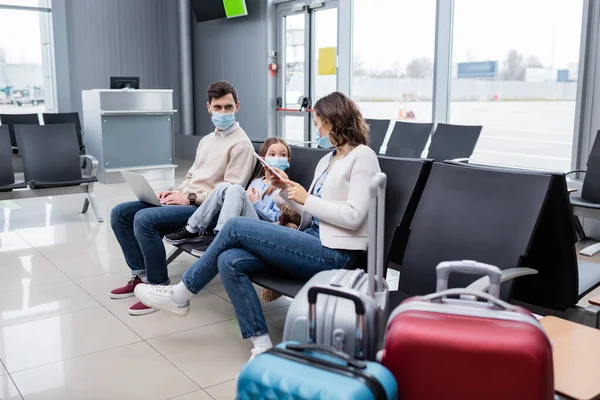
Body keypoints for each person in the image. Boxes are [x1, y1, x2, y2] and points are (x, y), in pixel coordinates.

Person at [134, 92, 380, 363]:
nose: (317, 128)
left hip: (335, 253)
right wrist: (286, 192)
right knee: (230, 260)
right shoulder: (327, 160)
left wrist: (306, 198)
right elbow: (312, 212)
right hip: (311, 239)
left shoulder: (362, 157)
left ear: (333, 122)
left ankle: (181, 294)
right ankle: (261, 345)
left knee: (237, 226)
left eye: (318, 122)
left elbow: (354, 216)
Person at [109, 81, 255, 316]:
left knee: (145, 220)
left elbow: (231, 193)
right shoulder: (207, 140)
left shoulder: (241, 144)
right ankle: (142, 277)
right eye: (218, 107)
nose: (223, 112)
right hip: (187, 200)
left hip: (206, 211)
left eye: (228, 107)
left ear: (237, 106)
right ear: (209, 107)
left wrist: (189, 197)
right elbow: (191, 177)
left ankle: (157, 287)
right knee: (120, 214)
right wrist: (172, 191)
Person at [162, 137, 292, 256]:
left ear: (288, 161)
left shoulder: (286, 188)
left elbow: (279, 221)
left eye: (282, 155)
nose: (277, 158)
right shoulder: (256, 182)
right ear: (263, 160)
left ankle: (220, 239)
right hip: (246, 222)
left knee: (235, 188)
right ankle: (193, 228)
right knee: (224, 185)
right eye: (272, 154)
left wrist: (256, 202)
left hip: (262, 231)